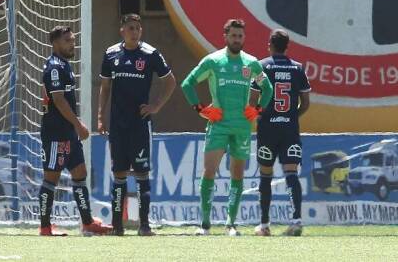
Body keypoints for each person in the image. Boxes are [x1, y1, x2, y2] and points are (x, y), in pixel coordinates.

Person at [181, 19, 272, 236]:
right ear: (225, 36)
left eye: (240, 36)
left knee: (237, 173)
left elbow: (267, 88)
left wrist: (257, 109)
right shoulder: (213, 61)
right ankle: (204, 224)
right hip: (218, 125)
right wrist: (201, 109)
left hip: (242, 126)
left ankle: (231, 224)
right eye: (233, 35)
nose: (237, 39)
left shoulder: (251, 63)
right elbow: (187, 84)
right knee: (209, 171)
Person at [98, 13, 176, 236]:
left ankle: (144, 226)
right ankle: (117, 226)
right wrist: (101, 117)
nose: (135, 31)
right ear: (122, 30)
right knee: (119, 173)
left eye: (138, 28)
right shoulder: (111, 54)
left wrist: (156, 106)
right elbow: (105, 87)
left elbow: (170, 81)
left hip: (140, 125)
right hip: (118, 126)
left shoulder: (150, 54)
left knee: (142, 174)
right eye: (131, 28)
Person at [39, 26, 112, 236]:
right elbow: (59, 100)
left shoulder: (65, 65)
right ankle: (45, 227)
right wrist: (79, 125)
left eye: (73, 40)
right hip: (55, 134)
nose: (72, 44)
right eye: (67, 41)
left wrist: (75, 127)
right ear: (55, 43)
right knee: (50, 178)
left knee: (80, 173)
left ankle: (88, 222)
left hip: (69, 132)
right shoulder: (54, 67)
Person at [251, 29, 311, 237]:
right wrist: (291, 117)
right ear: (287, 46)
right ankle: (296, 221)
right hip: (289, 129)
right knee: (291, 173)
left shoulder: (262, 66)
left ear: (270, 44)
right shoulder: (298, 68)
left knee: (265, 175)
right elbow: (306, 103)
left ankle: (264, 225)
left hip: (267, 129)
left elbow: (252, 100)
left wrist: (260, 116)